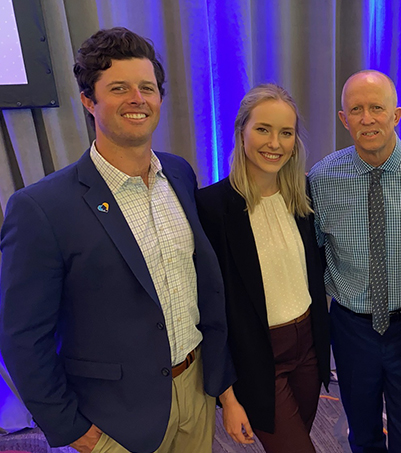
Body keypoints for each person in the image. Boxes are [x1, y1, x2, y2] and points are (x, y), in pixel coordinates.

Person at [0, 28, 235, 453]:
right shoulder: (40, 208)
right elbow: (22, 337)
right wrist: (71, 428)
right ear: (89, 101)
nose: (137, 99)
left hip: (196, 394)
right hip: (115, 421)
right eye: (118, 88)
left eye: (147, 88)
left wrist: (216, 384)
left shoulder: (179, 174)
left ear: (160, 98)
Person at [308, 69, 401, 452]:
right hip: (352, 329)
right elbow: (316, 252)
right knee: (362, 432)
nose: (367, 118)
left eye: (377, 107)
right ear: (344, 119)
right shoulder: (321, 179)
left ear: (397, 114)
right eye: (356, 109)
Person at [197, 84, 330, 452]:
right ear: (242, 132)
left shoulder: (302, 196)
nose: (275, 142)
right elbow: (208, 310)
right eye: (263, 129)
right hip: (257, 356)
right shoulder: (211, 207)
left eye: (285, 133)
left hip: (308, 348)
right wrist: (228, 397)